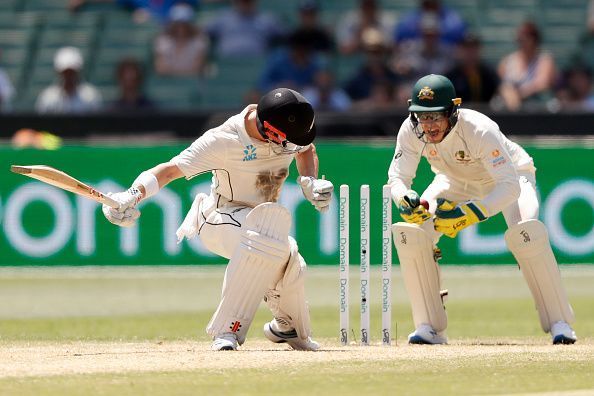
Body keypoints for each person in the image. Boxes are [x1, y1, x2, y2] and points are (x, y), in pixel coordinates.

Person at [101, 88, 333, 351]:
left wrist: (309, 181)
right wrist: (131, 195)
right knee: (261, 237)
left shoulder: (287, 130)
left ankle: (287, 327)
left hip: (261, 224)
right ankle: (226, 331)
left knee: (292, 258)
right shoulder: (223, 140)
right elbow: (169, 170)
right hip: (217, 219)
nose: (293, 145)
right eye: (288, 141)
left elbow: (305, 150)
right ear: (269, 130)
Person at [388, 74, 577, 345]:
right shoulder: (410, 129)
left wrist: (470, 214)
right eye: (422, 116)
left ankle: (560, 322)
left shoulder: (479, 129)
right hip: (452, 180)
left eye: (435, 116)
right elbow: (397, 179)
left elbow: (509, 186)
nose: (428, 125)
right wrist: (405, 198)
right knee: (417, 232)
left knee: (526, 233)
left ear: (452, 111)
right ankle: (429, 326)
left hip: (510, 177)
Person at [496, 21, 557, 111]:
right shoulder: (507, 60)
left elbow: (542, 83)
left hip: (537, 104)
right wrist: (509, 93)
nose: (523, 41)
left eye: (526, 38)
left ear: (535, 39)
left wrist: (519, 94)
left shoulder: (544, 60)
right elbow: (501, 83)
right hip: (510, 105)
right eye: (520, 39)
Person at [206, 0, 286, 58]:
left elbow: (288, 37)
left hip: (256, 63)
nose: (244, 4)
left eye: (248, 1)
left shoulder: (267, 20)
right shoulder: (223, 18)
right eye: (242, 1)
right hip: (227, 63)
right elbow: (200, 32)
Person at [36, 47, 102, 114]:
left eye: (71, 72)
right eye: (65, 72)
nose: (68, 76)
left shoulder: (90, 96)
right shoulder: (48, 97)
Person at [153, 3, 210, 76]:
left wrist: (171, 71)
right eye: (178, 23)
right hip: (168, 83)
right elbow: (160, 69)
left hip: (192, 83)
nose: (181, 27)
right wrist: (185, 72)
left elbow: (198, 68)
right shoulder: (162, 40)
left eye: (184, 23)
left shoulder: (200, 40)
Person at [445, 33, 499, 104]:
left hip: (484, 114)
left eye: (473, 48)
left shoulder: (488, 73)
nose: (470, 52)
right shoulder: (451, 76)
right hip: (459, 113)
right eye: (466, 48)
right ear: (459, 50)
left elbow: (501, 89)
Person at [394, 0, 466, 46]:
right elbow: (400, 36)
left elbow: (459, 33)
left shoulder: (453, 18)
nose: (430, 6)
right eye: (427, 4)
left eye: (433, 3)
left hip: (447, 60)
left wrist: (438, 30)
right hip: (416, 59)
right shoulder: (409, 19)